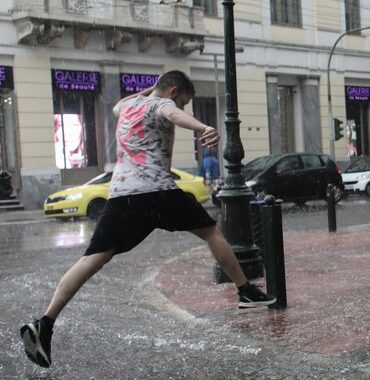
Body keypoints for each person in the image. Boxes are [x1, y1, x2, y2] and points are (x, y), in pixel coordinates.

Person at [20, 70, 275, 369]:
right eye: (182, 101)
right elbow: (172, 113)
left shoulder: (126, 108)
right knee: (211, 232)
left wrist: (150, 90)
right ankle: (245, 290)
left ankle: (45, 323)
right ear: (173, 92)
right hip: (157, 192)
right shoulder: (161, 106)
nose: (181, 108)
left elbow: (125, 102)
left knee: (92, 258)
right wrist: (203, 127)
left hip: (121, 196)